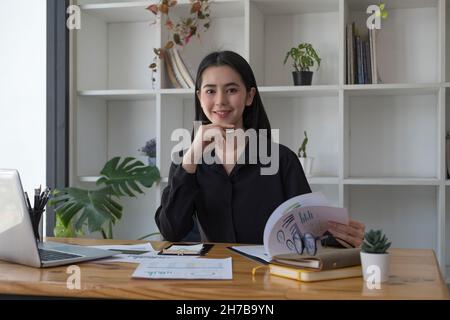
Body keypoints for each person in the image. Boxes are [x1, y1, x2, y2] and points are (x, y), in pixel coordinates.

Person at [155, 50, 365, 246]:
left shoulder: (282, 160)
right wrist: (192, 155)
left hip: (268, 276)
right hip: (215, 277)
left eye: (231, 90)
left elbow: (308, 229)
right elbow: (171, 231)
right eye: (211, 91)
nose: (220, 101)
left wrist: (340, 236)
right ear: (200, 98)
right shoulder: (188, 162)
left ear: (249, 96)